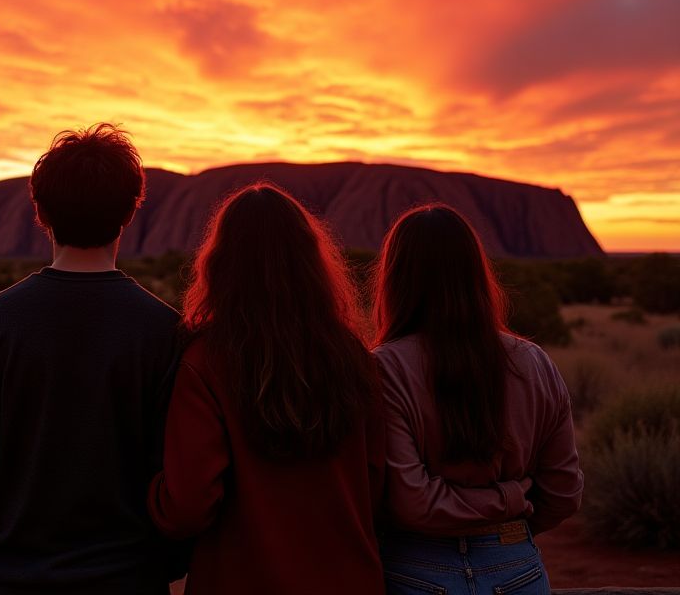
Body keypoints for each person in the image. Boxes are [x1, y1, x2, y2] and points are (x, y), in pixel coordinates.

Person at [0, 123, 182, 595]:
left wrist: (0, 517)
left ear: (40, 211)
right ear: (130, 211)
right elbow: (180, 462)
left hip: (21, 573)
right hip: (130, 577)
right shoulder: (163, 329)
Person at [148, 183, 386, 595]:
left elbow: (186, 506)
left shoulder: (206, 360)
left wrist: (150, 493)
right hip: (348, 579)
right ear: (310, 260)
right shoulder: (353, 356)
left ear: (221, 263)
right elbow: (377, 483)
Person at [373, 203, 584, 595]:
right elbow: (563, 492)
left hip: (416, 570)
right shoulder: (533, 362)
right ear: (475, 272)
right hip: (516, 566)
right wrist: (506, 507)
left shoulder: (385, 369)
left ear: (395, 278)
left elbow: (412, 501)